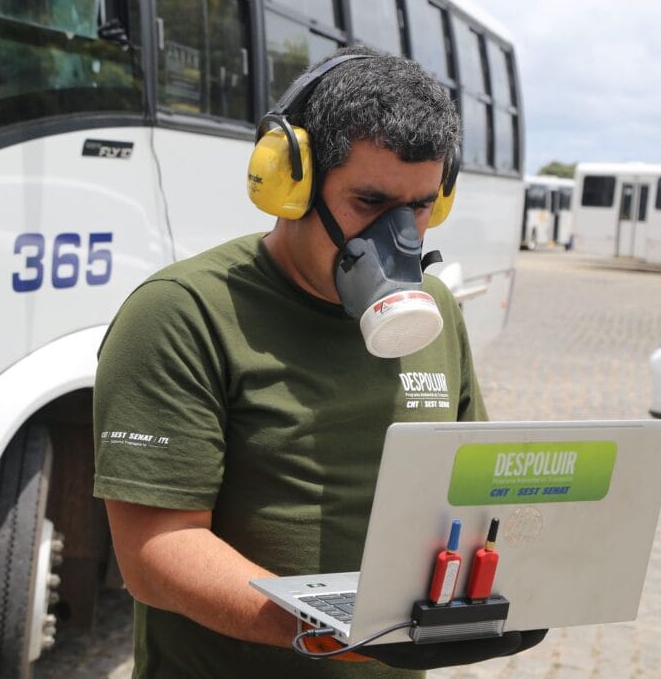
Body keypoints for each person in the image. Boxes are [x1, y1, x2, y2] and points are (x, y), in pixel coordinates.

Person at [93, 47, 543, 678]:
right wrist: (335, 632)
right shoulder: (182, 314)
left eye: (417, 207)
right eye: (369, 202)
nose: (400, 238)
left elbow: (469, 490)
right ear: (290, 183)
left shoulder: (435, 308)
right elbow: (156, 552)